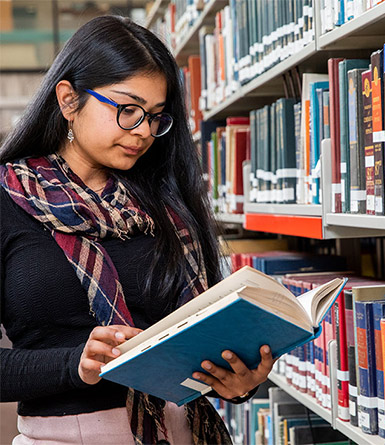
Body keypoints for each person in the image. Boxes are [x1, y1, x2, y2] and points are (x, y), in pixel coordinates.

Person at [0, 15, 275, 445]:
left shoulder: (167, 205)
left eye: (155, 117)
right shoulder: (7, 199)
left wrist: (240, 381)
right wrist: (76, 364)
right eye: (128, 110)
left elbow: (201, 334)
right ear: (69, 100)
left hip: (184, 431)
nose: (144, 131)